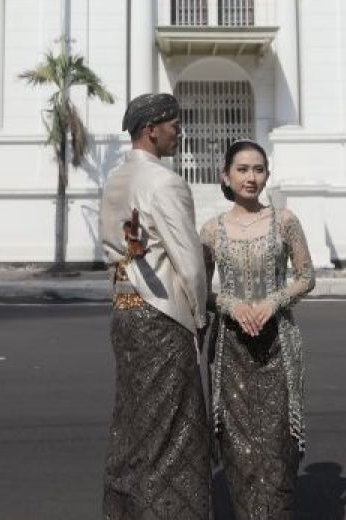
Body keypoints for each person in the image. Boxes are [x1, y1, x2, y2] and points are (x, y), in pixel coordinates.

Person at [100, 93, 210, 520]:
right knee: (174, 432)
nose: (178, 131)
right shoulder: (165, 182)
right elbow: (189, 262)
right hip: (163, 314)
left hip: (124, 310)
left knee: (133, 423)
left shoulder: (114, 179)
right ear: (151, 130)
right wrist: (200, 318)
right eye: (173, 124)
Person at [201, 139, 316, 520]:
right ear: (226, 176)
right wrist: (232, 305)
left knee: (278, 446)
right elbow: (200, 291)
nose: (251, 178)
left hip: (278, 346)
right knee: (240, 450)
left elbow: (306, 277)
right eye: (243, 169)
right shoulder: (211, 230)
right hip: (231, 350)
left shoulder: (284, 221)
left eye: (259, 170)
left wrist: (272, 302)